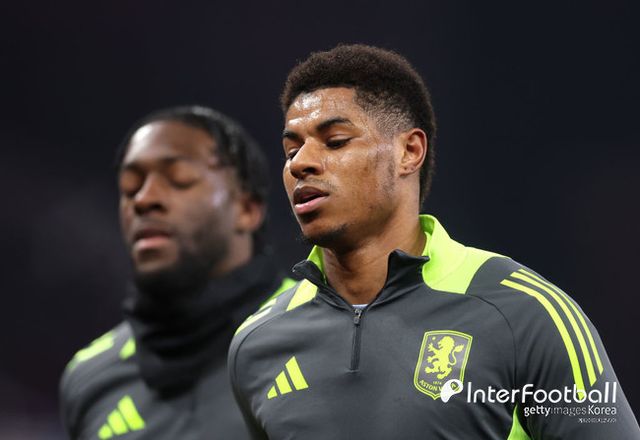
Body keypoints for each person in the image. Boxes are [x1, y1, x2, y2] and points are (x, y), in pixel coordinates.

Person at [228, 45, 640, 439]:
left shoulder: (525, 315)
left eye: (335, 141)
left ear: (409, 151)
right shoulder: (257, 342)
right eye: (291, 150)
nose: (300, 163)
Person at [59, 106, 294, 440]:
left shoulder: (320, 330)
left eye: (179, 179)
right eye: (130, 187)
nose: (144, 199)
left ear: (246, 209)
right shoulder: (88, 379)